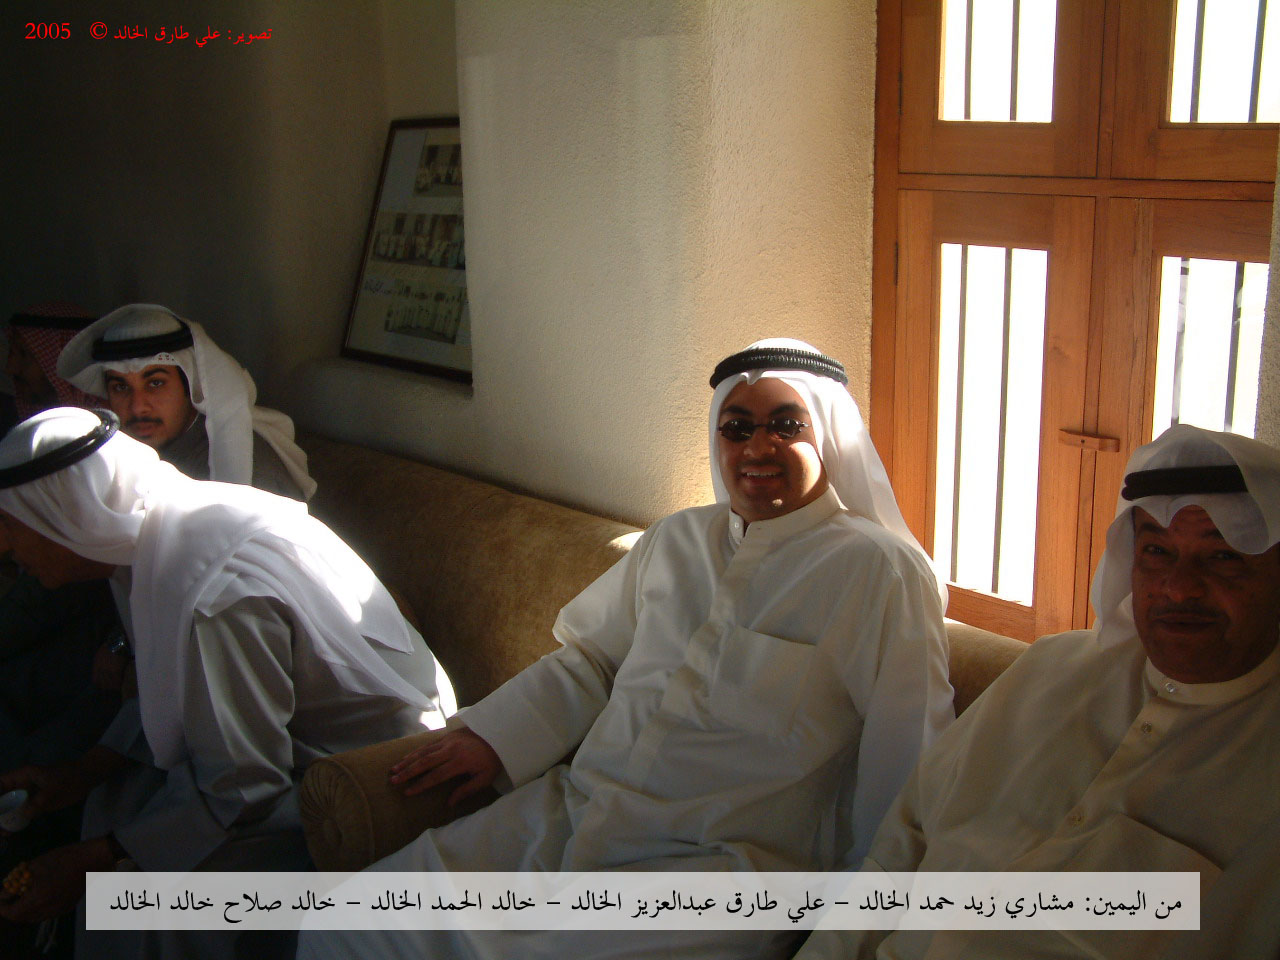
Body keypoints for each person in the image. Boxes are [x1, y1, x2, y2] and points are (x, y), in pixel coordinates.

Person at [298, 338, 953, 960]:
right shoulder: (677, 540)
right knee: (350, 923)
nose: (759, 446)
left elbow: (906, 760)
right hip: (572, 815)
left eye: (787, 425)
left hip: (721, 870)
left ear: (828, 434)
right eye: (737, 427)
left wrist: (855, 924)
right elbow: (593, 660)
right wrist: (496, 738)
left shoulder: (883, 573)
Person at [794, 424, 1280, 960]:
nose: (1179, 587)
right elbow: (899, 848)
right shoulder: (1050, 670)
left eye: (1224, 557)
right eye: (1158, 551)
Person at [0, 407, 455, 959]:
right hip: (286, 743)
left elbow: (245, 788)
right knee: (113, 798)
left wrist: (97, 859)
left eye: (10, 523)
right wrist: (85, 770)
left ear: (66, 515)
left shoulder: (214, 596)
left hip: (367, 773)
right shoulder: (156, 536)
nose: (4, 547)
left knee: (140, 901)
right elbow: (173, 683)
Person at [57, 302, 315, 500]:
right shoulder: (128, 453)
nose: (137, 406)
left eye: (155, 383)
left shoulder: (253, 474)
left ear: (191, 387)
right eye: (121, 387)